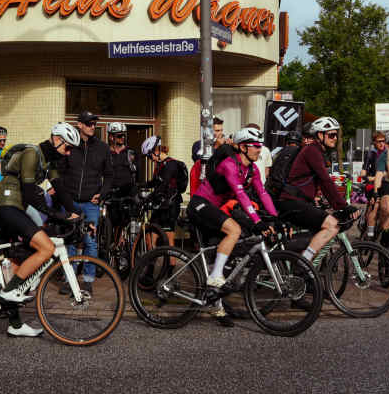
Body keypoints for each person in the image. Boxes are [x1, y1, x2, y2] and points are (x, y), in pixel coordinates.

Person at [0, 123, 80, 336]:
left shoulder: (49, 162)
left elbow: (61, 190)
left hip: (18, 208)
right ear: (57, 140)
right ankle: (9, 292)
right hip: (8, 206)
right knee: (46, 248)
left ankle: (16, 325)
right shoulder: (32, 153)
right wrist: (58, 215)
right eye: (67, 148)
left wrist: (76, 213)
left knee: (19, 263)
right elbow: (30, 193)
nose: (68, 154)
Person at [188, 126, 277, 327]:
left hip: (215, 208)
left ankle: (215, 302)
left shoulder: (252, 169)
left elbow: (262, 194)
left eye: (260, 145)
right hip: (200, 204)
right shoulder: (230, 165)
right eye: (255, 146)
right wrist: (257, 221)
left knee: (237, 243)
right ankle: (215, 278)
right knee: (234, 230)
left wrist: (274, 217)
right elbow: (241, 195)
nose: (259, 149)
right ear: (243, 147)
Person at [274, 117, 350, 263]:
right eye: (331, 135)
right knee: (332, 225)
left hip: (297, 201)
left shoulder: (317, 151)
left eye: (336, 135)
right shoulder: (312, 151)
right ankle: (303, 263)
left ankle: (299, 264)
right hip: (292, 202)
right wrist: (343, 206)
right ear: (320, 135)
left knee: (317, 231)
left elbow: (318, 183)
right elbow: (325, 180)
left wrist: (334, 204)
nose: (335, 138)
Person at [51, 110, 110, 292]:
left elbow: (109, 176)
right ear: (80, 125)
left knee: (90, 242)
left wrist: (101, 194)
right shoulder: (70, 146)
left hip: (90, 204)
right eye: (89, 123)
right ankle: (70, 281)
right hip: (70, 202)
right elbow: (58, 173)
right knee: (69, 241)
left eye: (94, 123)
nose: (92, 126)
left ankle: (88, 281)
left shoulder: (102, 148)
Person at [143, 136, 186, 247]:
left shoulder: (171, 165)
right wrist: (139, 186)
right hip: (161, 205)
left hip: (171, 205)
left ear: (156, 151)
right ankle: (151, 262)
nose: (150, 159)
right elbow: (155, 183)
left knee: (168, 239)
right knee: (150, 235)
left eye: (149, 155)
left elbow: (163, 185)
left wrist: (149, 197)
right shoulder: (160, 165)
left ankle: (171, 263)